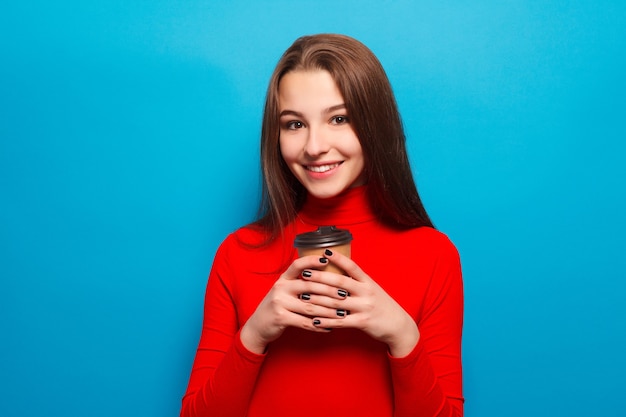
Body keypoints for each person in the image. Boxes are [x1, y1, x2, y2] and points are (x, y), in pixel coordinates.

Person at [180, 34, 464, 417]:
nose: (314, 146)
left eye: (339, 118)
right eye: (294, 124)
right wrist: (255, 332)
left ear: (374, 124)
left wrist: (403, 335)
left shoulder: (433, 255)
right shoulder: (238, 253)